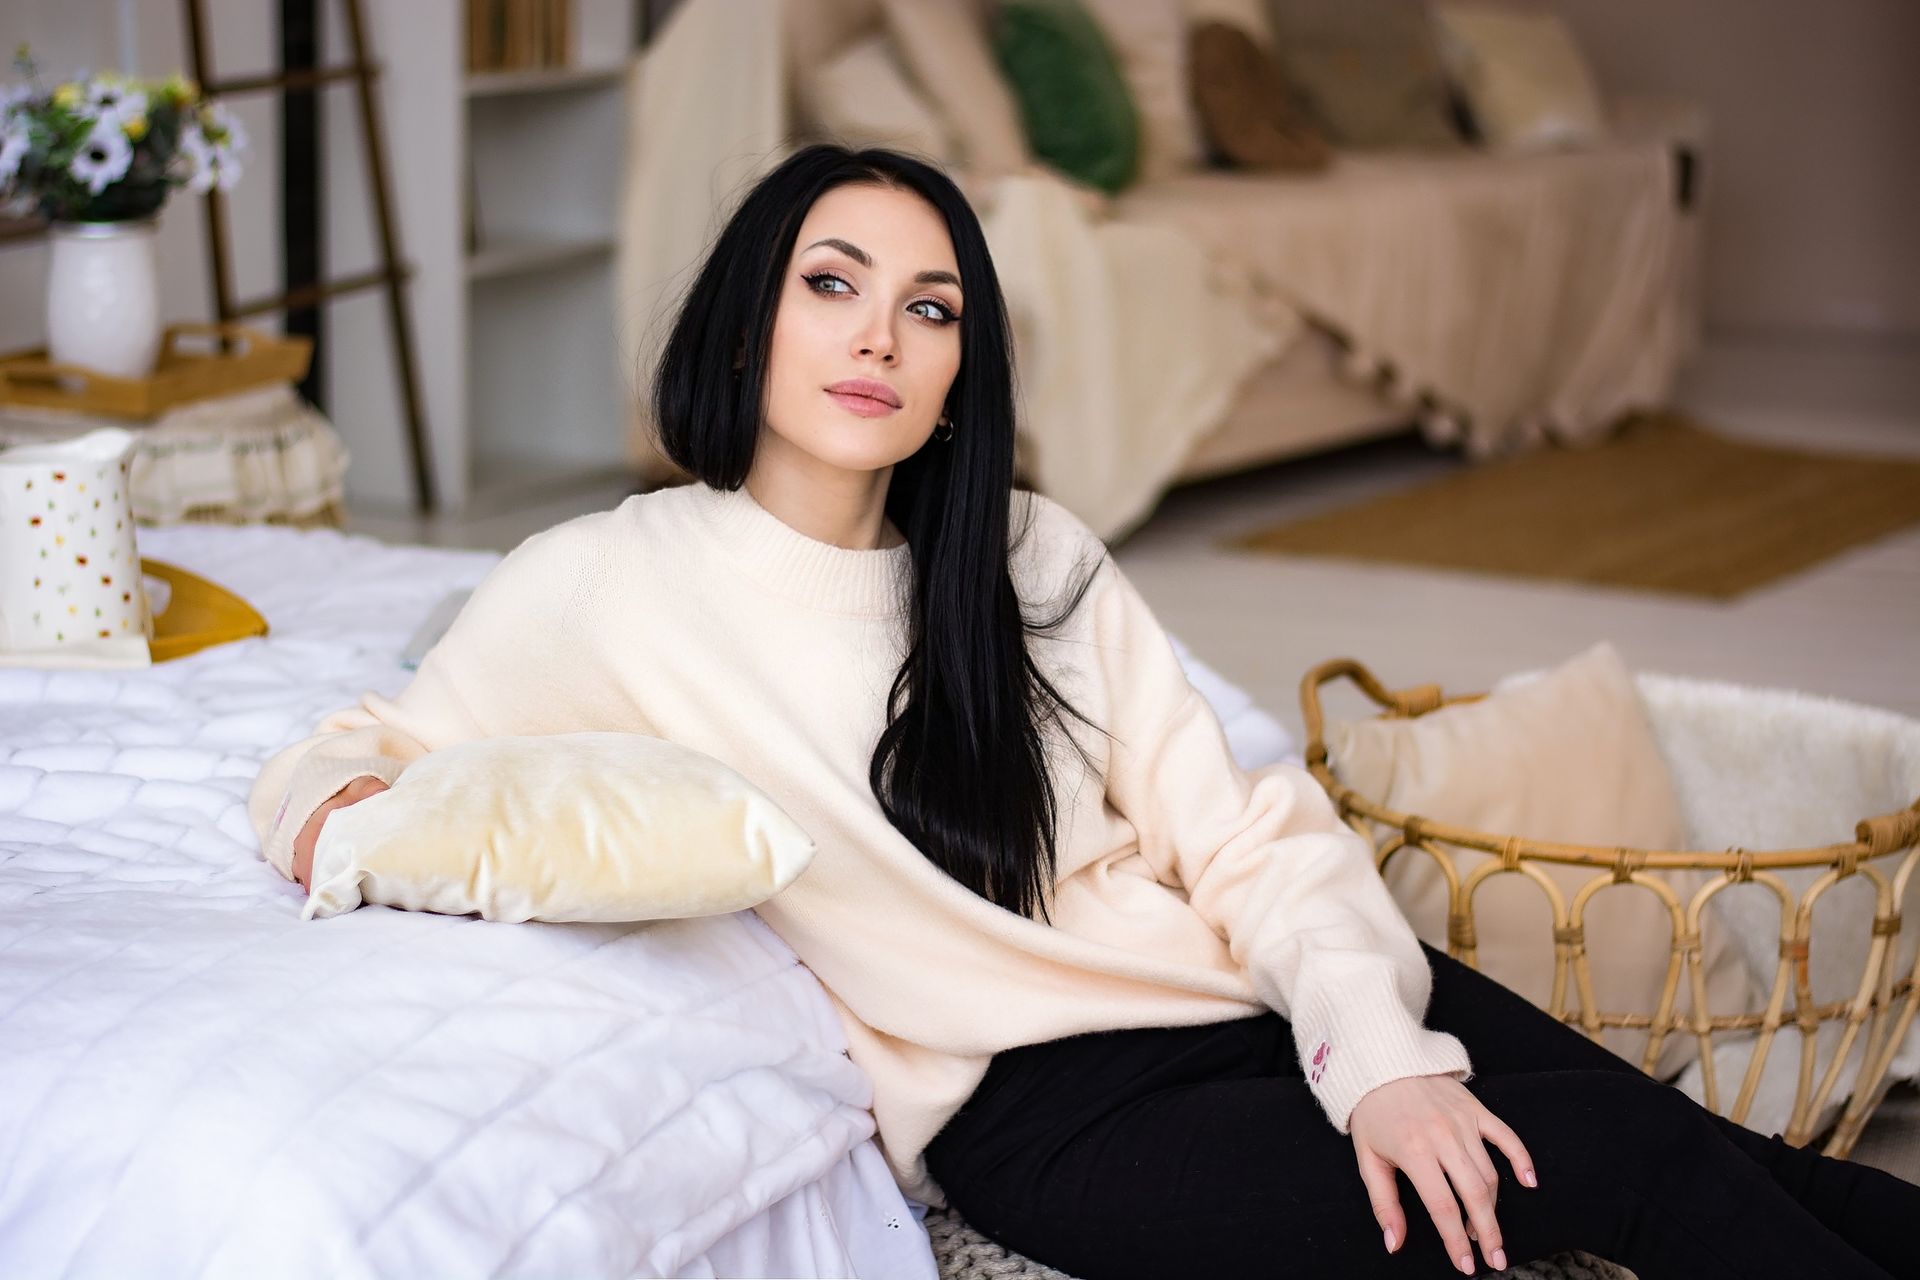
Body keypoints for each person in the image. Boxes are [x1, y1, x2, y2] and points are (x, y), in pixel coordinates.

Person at [248, 144, 1919, 1279]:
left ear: (957, 372)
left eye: (930, 309)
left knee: (1710, 1146)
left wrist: (1372, 1056)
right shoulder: (609, 582)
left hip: (1247, 1002)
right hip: (1048, 1118)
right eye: (833, 284)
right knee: (1608, 1164)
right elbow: (362, 751)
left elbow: (1245, 832)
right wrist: (338, 823)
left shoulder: (1027, 553)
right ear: (748, 316)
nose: (880, 338)